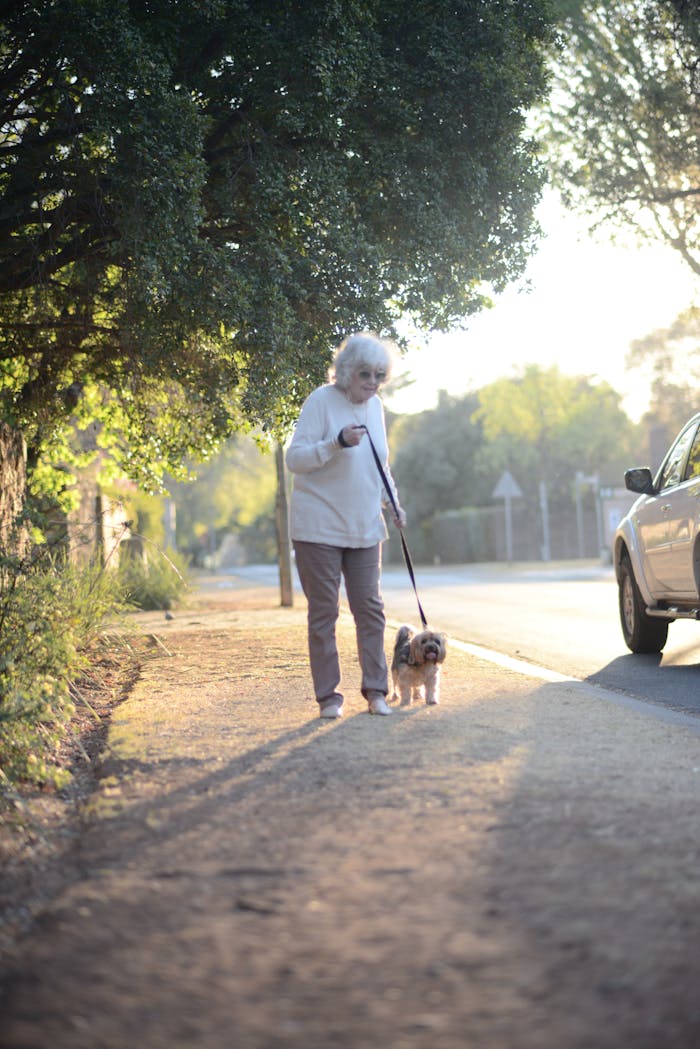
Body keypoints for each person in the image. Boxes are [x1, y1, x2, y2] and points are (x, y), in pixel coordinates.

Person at [285, 332, 406, 719]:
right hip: (318, 525)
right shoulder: (321, 400)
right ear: (347, 371)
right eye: (366, 374)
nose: (372, 382)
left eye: (380, 375)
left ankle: (376, 691)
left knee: (370, 609)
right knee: (324, 614)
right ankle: (329, 698)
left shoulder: (376, 408)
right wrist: (335, 443)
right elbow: (296, 459)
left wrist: (393, 503)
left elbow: (380, 462)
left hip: (364, 526)